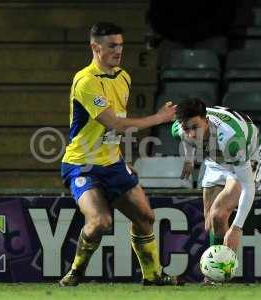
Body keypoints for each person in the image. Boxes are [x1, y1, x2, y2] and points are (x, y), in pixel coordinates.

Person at [60, 22, 181, 286]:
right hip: (83, 165)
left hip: (113, 164)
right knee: (100, 221)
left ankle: (153, 276)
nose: (119, 51)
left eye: (121, 45)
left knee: (146, 218)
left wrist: (123, 159)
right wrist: (159, 118)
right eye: (112, 46)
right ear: (95, 47)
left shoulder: (123, 77)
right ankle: (76, 271)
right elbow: (113, 123)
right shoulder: (86, 81)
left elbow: (117, 128)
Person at [171, 99, 261, 256]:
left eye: (195, 127)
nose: (192, 134)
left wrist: (237, 228)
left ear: (206, 121)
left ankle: (218, 273)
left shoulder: (231, 140)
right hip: (216, 159)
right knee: (211, 224)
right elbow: (186, 138)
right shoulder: (179, 128)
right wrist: (189, 159)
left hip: (248, 156)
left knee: (219, 215)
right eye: (187, 129)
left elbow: (248, 187)